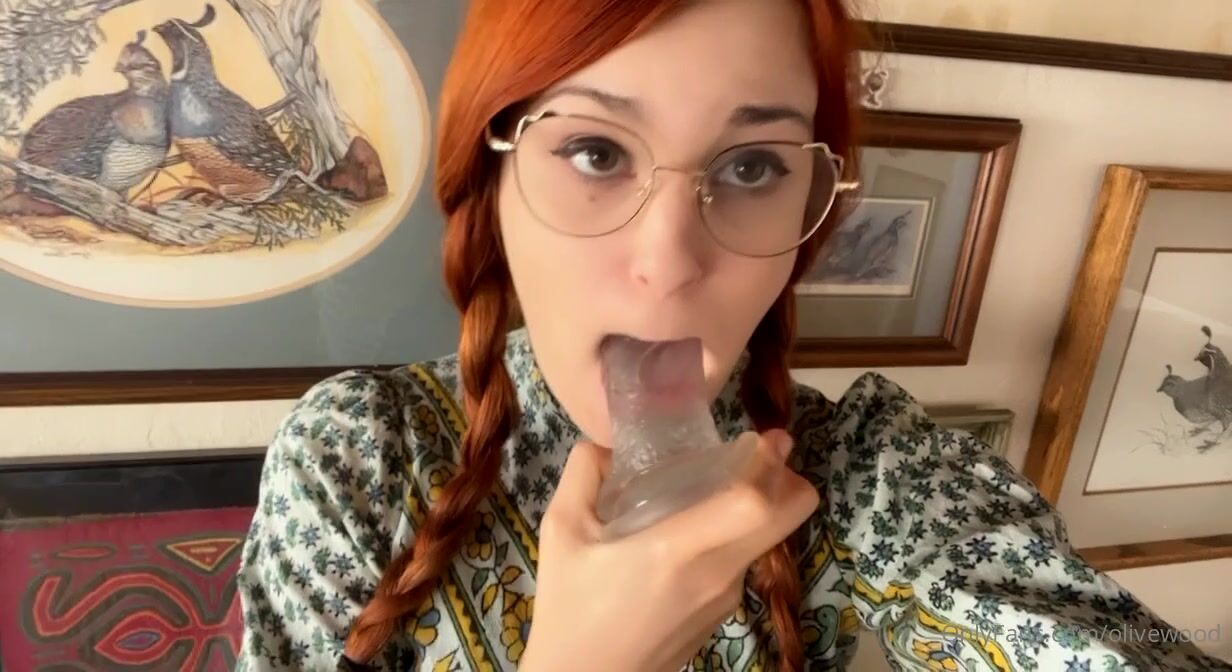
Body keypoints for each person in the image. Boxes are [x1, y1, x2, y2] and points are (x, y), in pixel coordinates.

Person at [234, 0, 1231, 670]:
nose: (668, 262)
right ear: (488, 180)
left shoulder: (859, 469)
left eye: (752, 167)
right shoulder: (361, 456)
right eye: (595, 151)